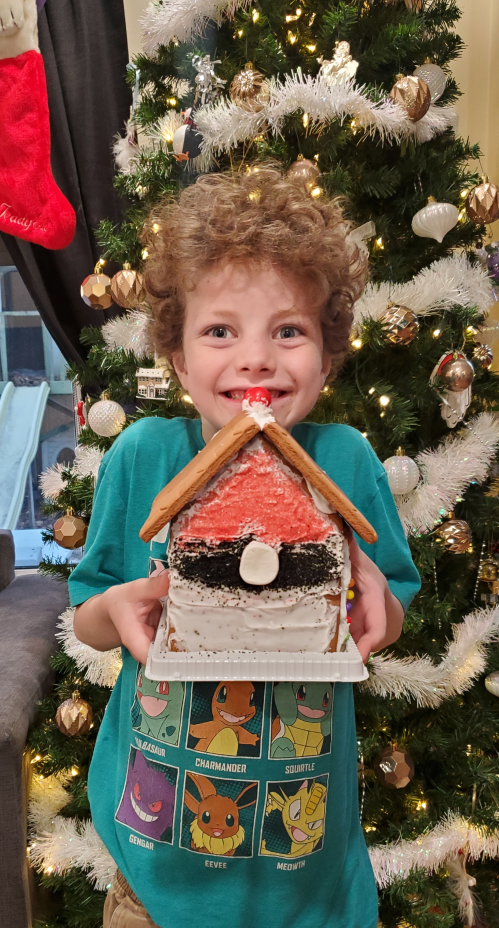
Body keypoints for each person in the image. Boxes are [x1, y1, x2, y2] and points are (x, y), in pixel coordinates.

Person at [71, 165, 420, 928]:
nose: (255, 358)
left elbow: (390, 606)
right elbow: (85, 612)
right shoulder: (142, 457)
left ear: (325, 359)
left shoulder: (345, 460)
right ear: (177, 357)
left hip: (306, 870)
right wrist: (116, 610)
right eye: (220, 330)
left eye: (287, 331)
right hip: (153, 871)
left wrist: (375, 605)